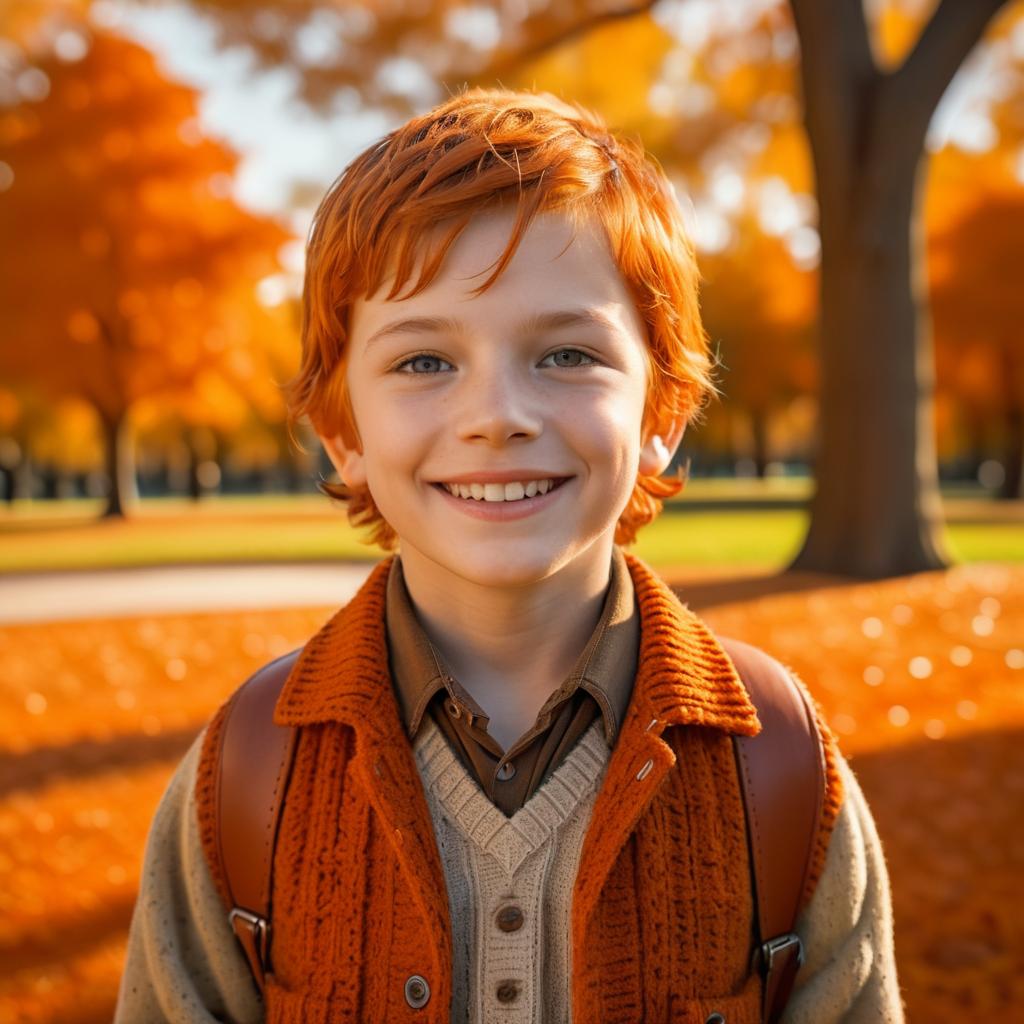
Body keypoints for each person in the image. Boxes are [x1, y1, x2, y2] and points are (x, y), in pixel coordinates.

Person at [115, 87, 904, 1023]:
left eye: (567, 355)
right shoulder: (247, 774)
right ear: (342, 432)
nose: (498, 417)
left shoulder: (776, 770)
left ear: (662, 417)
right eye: (423, 362)